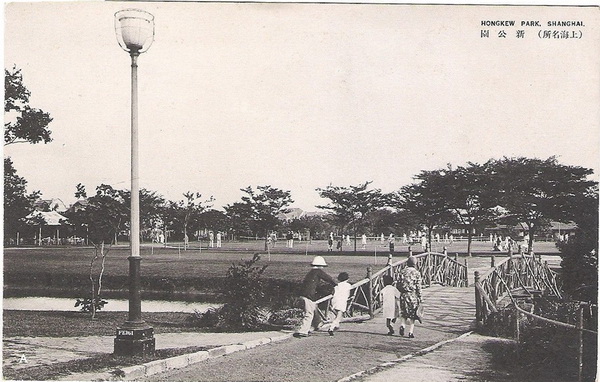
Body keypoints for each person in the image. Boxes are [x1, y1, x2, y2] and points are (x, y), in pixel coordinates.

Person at [294, 256, 337, 337]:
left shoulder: (311, 273)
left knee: (314, 308)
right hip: (308, 295)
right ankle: (303, 331)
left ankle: (318, 324)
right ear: (320, 265)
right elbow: (328, 278)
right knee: (309, 313)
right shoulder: (318, 271)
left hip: (304, 294)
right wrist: (335, 285)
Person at [398, 256, 423, 338]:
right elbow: (418, 286)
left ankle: (402, 325)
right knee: (413, 314)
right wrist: (420, 297)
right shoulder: (417, 273)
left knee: (404, 312)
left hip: (403, 294)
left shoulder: (402, 272)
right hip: (412, 295)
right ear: (415, 264)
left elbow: (398, 284)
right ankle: (410, 332)